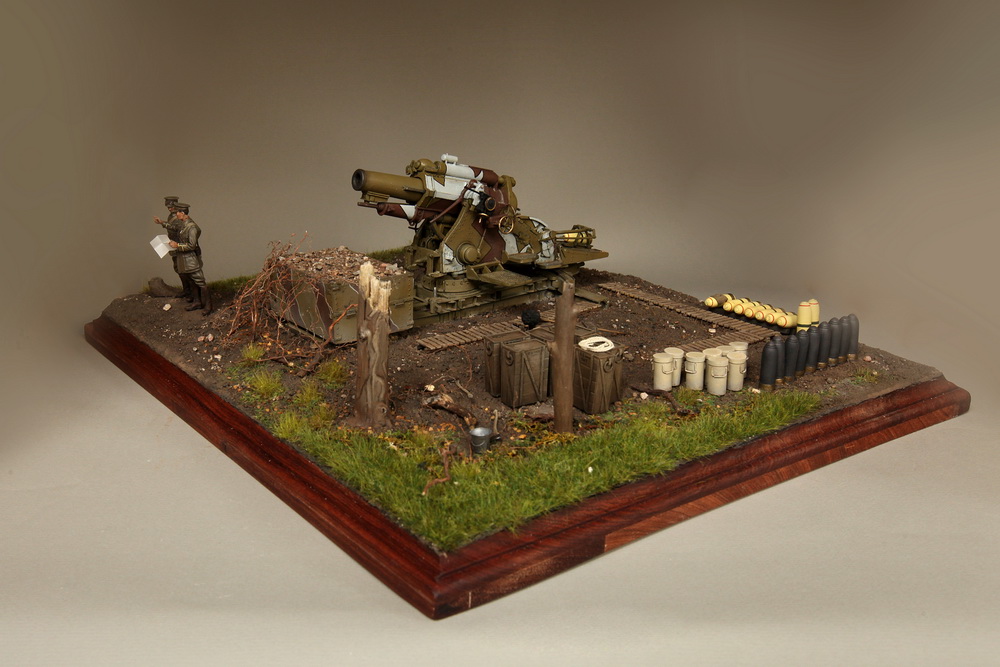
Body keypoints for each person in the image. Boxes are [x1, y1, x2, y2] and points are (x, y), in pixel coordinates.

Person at [168, 204, 212, 314]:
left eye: (178, 212)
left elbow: (192, 245)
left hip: (191, 259)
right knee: (191, 280)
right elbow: (175, 229)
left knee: (200, 281)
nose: (176, 214)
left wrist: (178, 245)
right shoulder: (183, 225)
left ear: (183, 213)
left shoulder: (192, 227)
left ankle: (208, 305)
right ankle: (197, 302)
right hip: (184, 259)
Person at [153, 196, 195, 301]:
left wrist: (163, 223)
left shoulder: (180, 218)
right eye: (168, 207)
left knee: (184, 270)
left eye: (172, 207)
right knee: (179, 269)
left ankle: (191, 292)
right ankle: (186, 290)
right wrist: (162, 222)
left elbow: (177, 228)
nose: (170, 209)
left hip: (179, 246)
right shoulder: (172, 216)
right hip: (173, 245)